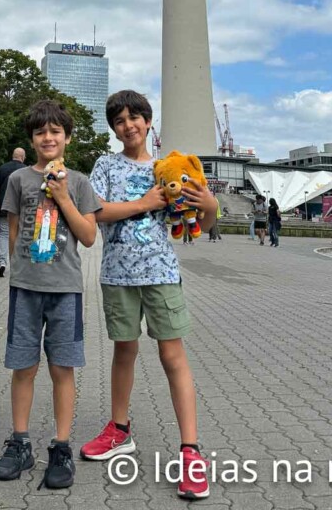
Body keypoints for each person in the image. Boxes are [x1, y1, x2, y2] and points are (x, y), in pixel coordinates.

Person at [81, 90, 216, 501]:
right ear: (114, 128)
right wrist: (143, 202)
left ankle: (191, 451)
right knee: (124, 351)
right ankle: (119, 429)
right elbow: (97, 211)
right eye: (120, 120)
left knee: (173, 355)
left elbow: (203, 223)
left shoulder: (167, 167)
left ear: (149, 121)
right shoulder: (105, 164)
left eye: (135, 117)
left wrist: (209, 203)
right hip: (118, 275)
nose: (129, 125)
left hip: (161, 272)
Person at [0, 100, 100, 490]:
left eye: (56, 131)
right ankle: (20, 441)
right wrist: (16, 273)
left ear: (67, 138)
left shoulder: (81, 182)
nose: (48, 137)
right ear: (32, 139)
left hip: (65, 288)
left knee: (62, 367)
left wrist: (64, 196)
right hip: (25, 288)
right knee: (23, 366)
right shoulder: (19, 179)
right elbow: (13, 230)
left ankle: (61, 446)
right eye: (41, 132)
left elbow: (88, 237)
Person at [0, 147, 26, 278]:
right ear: (23, 157)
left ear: (13, 155)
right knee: (19, 235)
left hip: (4, 206)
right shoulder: (26, 170)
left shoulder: (2, 168)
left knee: (4, 234)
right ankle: (16, 264)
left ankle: (2, 262)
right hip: (20, 209)